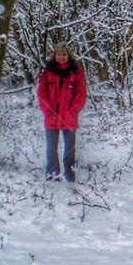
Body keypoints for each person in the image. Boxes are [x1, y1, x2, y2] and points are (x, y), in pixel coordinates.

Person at [37, 42, 88, 182]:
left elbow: (81, 94)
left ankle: (70, 174)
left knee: (70, 148)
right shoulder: (48, 71)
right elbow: (42, 92)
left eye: (64, 54)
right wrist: (48, 110)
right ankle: (53, 174)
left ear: (68, 55)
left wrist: (73, 110)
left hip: (69, 116)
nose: (61, 57)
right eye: (59, 54)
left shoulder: (76, 71)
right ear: (55, 55)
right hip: (51, 115)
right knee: (51, 148)